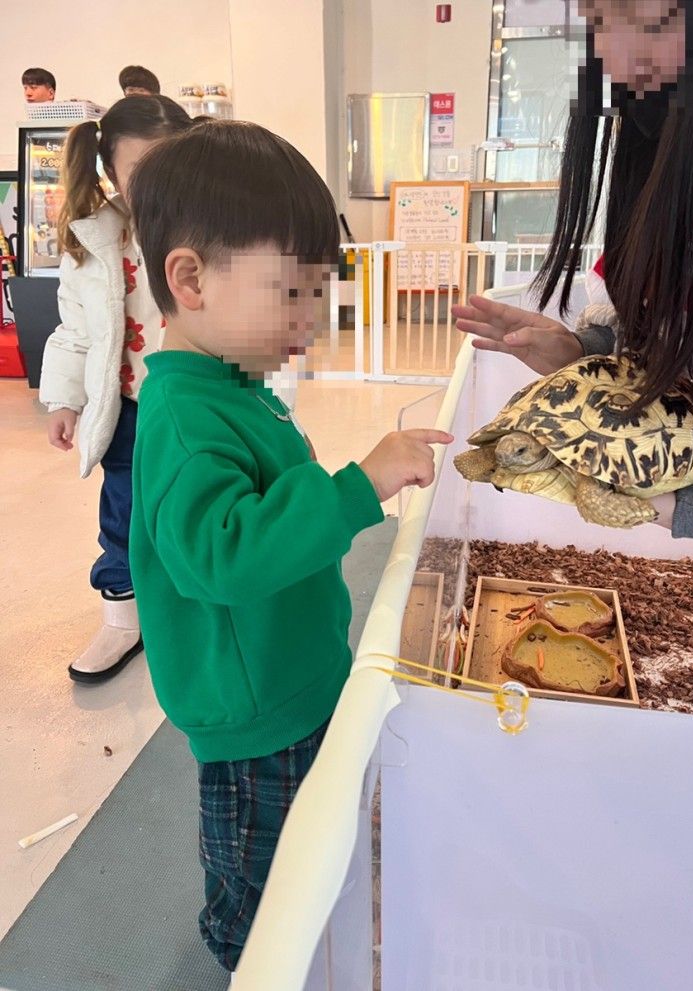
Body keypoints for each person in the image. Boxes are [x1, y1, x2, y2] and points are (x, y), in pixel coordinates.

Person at [126, 120, 452, 972]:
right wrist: (354, 486)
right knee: (262, 879)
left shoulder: (231, 386)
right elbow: (222, 556)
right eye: (290, 293)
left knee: (321, 835)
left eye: (318, 293)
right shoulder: (185, 422)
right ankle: (253, 963)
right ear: (189, 279)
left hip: (296, 676)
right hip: (253, 717)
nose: (311, 320)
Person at [453, 0, 693, 572]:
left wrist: (663, 505)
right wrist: (585, 352)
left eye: (654, 24)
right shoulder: (662, 152)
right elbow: (678, 339)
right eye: (599, 23)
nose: (613, 56)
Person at [38, 96, 194, 683]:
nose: (158, 186)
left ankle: (195, 601)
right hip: (129, 410)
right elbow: (75, 330)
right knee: (124, 513)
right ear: (109, 172)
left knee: (199, 502)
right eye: (140, 173)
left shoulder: (211, 226)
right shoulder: (93, 243)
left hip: (198, 405)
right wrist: (64, 398)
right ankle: (123, 621)